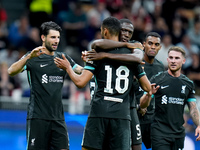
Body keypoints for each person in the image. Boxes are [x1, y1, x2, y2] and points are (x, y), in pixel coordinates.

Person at [54, 17, 151, 150]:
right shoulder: (132, 56)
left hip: (99, 111)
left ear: (105, 31)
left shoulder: (97, 53)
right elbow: (147, 87)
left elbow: (80, 82)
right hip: (122, 115)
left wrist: (68, 68)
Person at [7, 21, 83, 150]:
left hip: (58, 119)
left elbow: (81, 71)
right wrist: (28, 57)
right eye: (53, 37)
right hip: (37, 118)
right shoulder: (33, 57)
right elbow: (11, 71)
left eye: (58, 37)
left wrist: (92, 64)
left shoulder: (63, 58)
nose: (56, 41)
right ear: (43, 37)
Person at [83, 18, 147, 150]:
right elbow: (96, 43)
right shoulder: (110, 47)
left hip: (128, 106)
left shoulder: (134, 47)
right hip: (115, 107)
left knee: (135, 145)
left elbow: (137, 58)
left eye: (130, 32)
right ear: (116, 30)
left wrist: (105, 56)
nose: (126, 35)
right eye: (123, 30)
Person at [140, 46, 200, 150]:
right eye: (171, 58)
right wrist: (149, 94)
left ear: (184, 61)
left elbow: (193, 108)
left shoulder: (188, 84)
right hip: (159, 132)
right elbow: (142, 105)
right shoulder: (157, 79)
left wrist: (199, 124)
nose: (173, 61)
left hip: (178, 134)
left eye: (176, 58)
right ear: (167, 59)